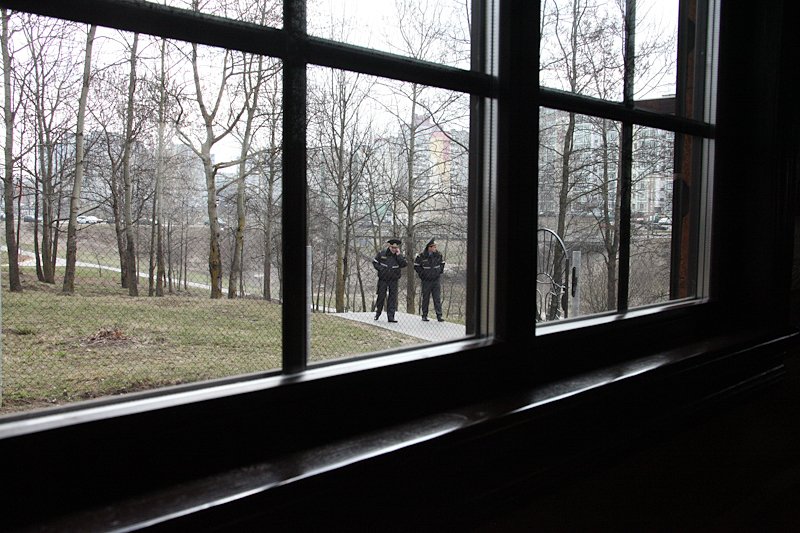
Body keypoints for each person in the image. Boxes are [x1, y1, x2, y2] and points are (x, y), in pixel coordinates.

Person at [373, 238, 407, 323]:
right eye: (392, 248)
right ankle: (378, 313)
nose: (394, 249)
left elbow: (404, 264)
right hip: (383, 279)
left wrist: (399, 255)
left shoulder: (399, 256)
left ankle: (391, 317)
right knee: (381, 296)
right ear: (389, 246)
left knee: (392, 298)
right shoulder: (382, 253)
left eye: (396, 248)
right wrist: (381, 269)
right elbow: (375, 262)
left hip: (393, 280)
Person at [414, 238, 445, 322]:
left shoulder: (438, 255)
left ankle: (439, 315)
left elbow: (442, 264)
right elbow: (416, 266)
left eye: (435, 246)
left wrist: (438, 272)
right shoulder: (421, 256)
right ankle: (424, 315)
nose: (435, 248)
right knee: (425, 298)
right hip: (426, 281)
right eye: (434, 247)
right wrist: (423, 274)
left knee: (437, 298)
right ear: (429, 247)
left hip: (436, 280)